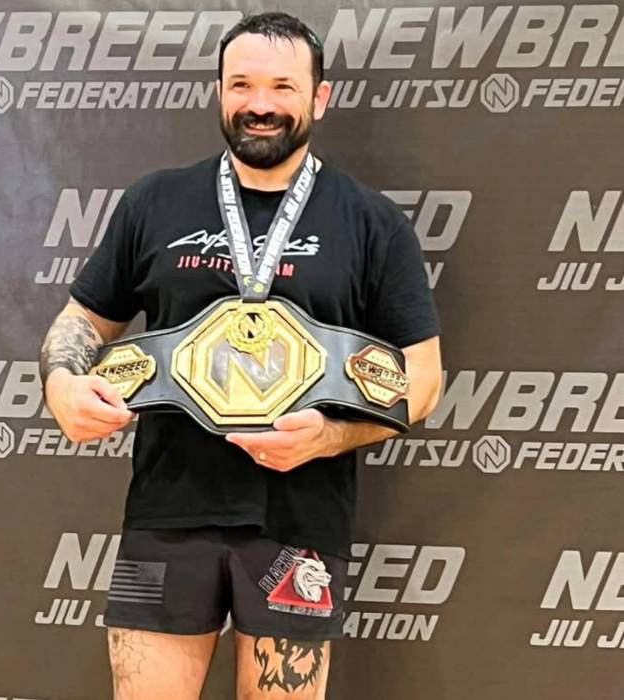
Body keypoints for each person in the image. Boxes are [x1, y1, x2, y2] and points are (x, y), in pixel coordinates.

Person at [40, 11, 442, 700]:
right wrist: (62, 385)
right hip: (166, 513)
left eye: (283, 87)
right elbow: (81, 321)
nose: (260, 104)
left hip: (300, 523)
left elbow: (423, 381)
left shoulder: (373, 222)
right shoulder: (155, 201)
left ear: (319, 97)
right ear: (220, 91)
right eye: (242, 85)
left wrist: (329, 437)